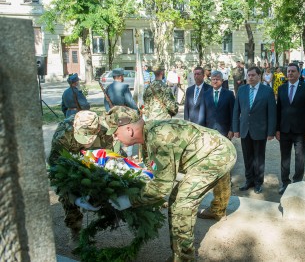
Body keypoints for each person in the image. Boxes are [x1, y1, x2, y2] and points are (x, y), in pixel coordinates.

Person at [101, 106, 236, 261]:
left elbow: (161, 187)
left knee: (181, 203)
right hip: (217, 145)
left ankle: (183, 258)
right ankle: (218, 210)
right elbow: (155, 170)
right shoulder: (149, 131)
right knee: (190, 191)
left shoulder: (158, 138)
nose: (115, 138)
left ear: (129, 130)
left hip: (217, 155)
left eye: (116, 134)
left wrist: (130, 200)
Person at [48, 110, 114, 242]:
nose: (86, 141)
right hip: (69, 164)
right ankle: (76, 231)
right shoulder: (63, 136)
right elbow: (56, 172)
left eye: (90, 137)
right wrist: (75, 198)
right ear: (74, 128)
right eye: (82, 137)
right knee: (68, 195)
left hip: (92, 163)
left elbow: (111, 159)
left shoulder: (105, 134)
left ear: (98, 129)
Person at [198, 70, 235, 220]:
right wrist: (200, 131)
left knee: (224, 163)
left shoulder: (228, 94)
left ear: (222, 80)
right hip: (209, 133)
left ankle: (224, 188)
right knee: (211, 161)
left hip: (225, 132)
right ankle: (213, 183)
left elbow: (233, 113)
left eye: (217, 79)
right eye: (213, 79)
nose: (214, 81)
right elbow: (202, 113)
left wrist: (233, 129)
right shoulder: (206, 94)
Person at [233, 66, 276, 194]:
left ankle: (258, 182)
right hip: (245, 129)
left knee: (258, 158)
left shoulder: (267, 91)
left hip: (260, 130)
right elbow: (236, 111)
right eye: (248, 75)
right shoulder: (241, 90)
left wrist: (271, 132)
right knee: (247, 157)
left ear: (259, 76)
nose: (250, 77)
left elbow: (272, 113)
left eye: (252, 75)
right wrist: (236, 128)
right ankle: (249, 181)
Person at [275, 63, 305, 195]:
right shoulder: (281, 88)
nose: (290, 73)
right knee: (284, 158)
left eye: (292, 71)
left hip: (300, 131)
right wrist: (277, 129)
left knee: (300, 158)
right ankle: (285, 183)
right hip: (284, 130)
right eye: (288, 71)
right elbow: (278, 110)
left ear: (298, 73)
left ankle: (297, 183)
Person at [104, 68, 138, 158]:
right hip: (123, 114)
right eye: (123, 76)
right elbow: (130, 102)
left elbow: (106, 103)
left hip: (112, 115)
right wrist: (137, 110)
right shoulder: (124, 87)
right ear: (120, 77)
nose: (123, 77)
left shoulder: (108, 87)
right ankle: (129, 155)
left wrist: (110, 112)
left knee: (115, 133)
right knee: (130, 132)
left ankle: (116, 153)